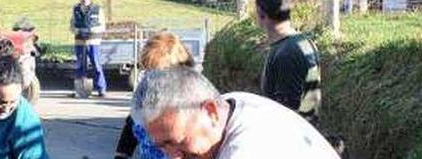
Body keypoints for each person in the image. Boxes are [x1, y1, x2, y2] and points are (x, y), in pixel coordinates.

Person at [131, 67, 338, 159]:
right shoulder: (229, 104)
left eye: (178, 141)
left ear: (210, 111)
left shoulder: (246, 150)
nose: (173, 157)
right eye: (163, 146)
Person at [115, 31, 195, 159]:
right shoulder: (146, 92)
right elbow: (132, 123)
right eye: (148, 71)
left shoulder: (189, 96)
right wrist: (122, 154)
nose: (151, 78)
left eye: (157, 72)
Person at [255, 0, 322, 124]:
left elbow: (285, 114)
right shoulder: (303, 42)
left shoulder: (287, 53)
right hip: (307, 132)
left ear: (261, 13)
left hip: (294, 138)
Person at [70, 0, 107, 97]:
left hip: (93, 41)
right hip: (79, 40)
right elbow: (72, 23)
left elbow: (102, 25)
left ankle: (101, 89)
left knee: (96, 64)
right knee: (80, 64)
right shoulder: (75, 9)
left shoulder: (97, 9)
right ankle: (80, 89)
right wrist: (76, 30)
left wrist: (91, 31)